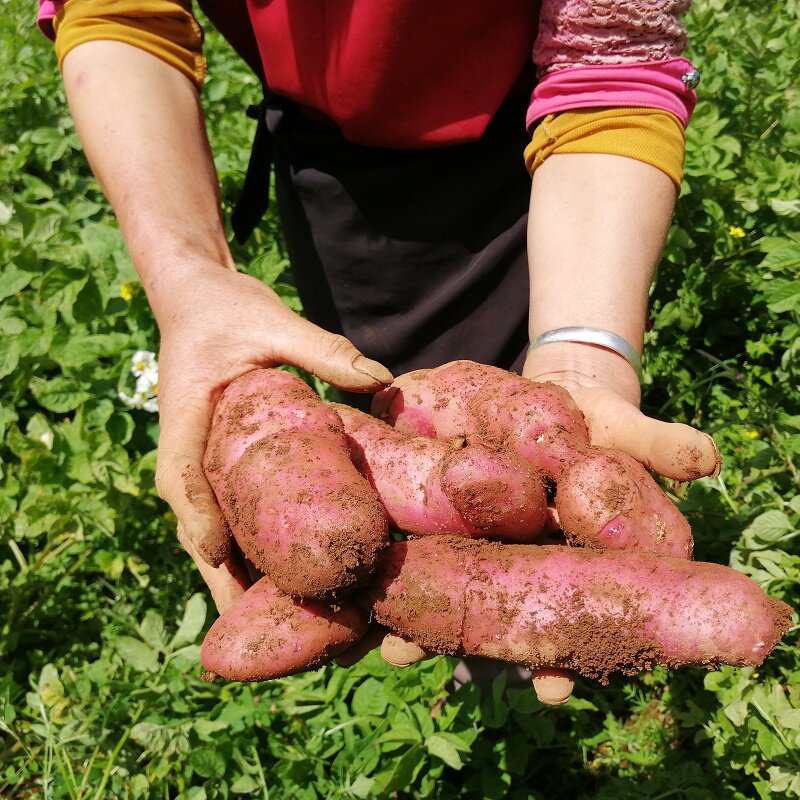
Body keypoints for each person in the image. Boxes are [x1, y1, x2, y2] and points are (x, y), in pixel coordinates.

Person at [36, 0, 719, 704]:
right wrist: (190, 279)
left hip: (552, 136)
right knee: (388, 396)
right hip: (328, 146)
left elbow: (610, 58)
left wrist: (583, 352)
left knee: (519, 444)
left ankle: (501, 655)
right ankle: (474, 649)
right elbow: (120, 13)